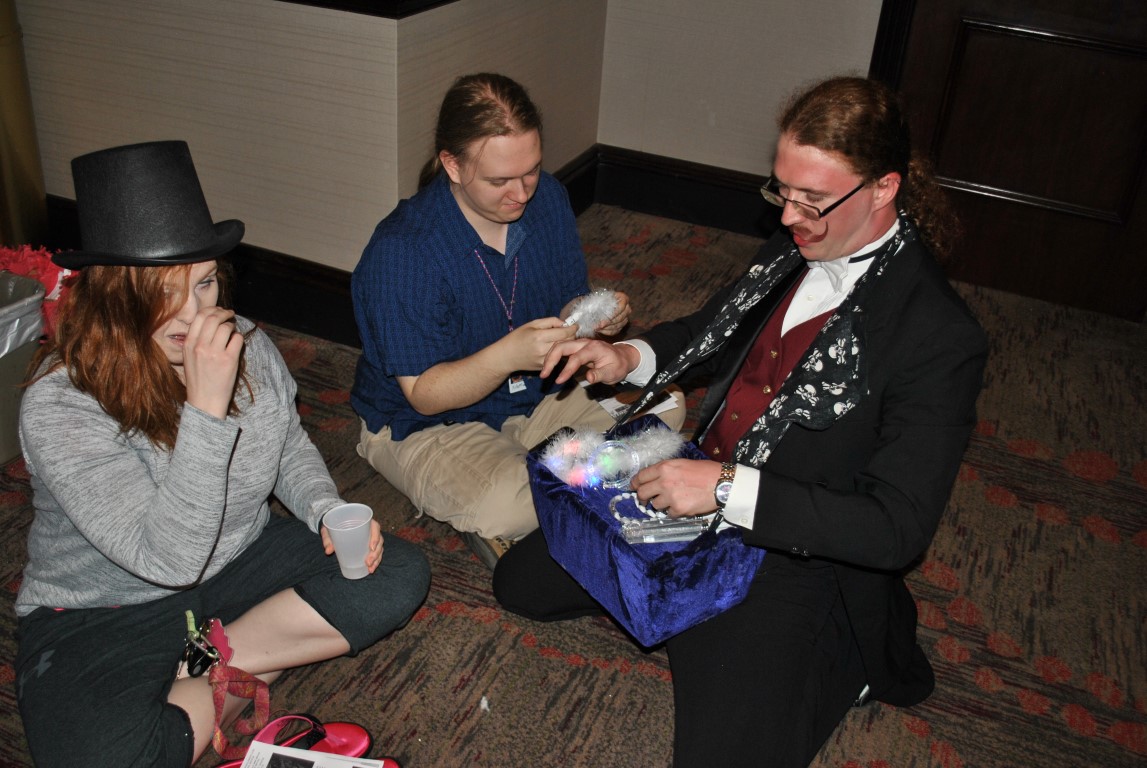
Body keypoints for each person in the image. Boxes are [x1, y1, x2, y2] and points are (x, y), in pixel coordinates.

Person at [493, 76, 989, 767]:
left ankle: (844, 650)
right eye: (781, 192)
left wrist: (726, 488)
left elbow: (897, 527)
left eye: (812, 200)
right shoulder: (798, 242)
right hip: (692, 476)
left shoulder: (938, 337)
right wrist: (626, 356)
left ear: (883, 189)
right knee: (520, 585)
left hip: (792, 545)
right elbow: (713, 328)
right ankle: (692, 622)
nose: (789, 217)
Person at [13, 141, 431, 767]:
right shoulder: (60, 404)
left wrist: (324, 510)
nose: (197, 313)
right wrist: (205, 409)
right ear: (113, 296)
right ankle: (237, 675)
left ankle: (208, 667)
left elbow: (285, 445)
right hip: (104, 603)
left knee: (397, 573)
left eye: (205, 282)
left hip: (238, 559)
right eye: (165, 291)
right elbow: (167, 559)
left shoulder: (247, 345)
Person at [351, 73, 682, 569]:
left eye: (530, 171)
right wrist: (508, 355)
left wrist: (593, 316)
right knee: (507, 501)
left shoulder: (548, 198)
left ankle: (542, 486)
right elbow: (424, 393)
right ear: (452, 165)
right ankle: (550, 486)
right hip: (426, 423)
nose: (522, 193)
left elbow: (566, 307)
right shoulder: (403, 251)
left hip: (533, 393)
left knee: (665, 408)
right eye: (499, 181)